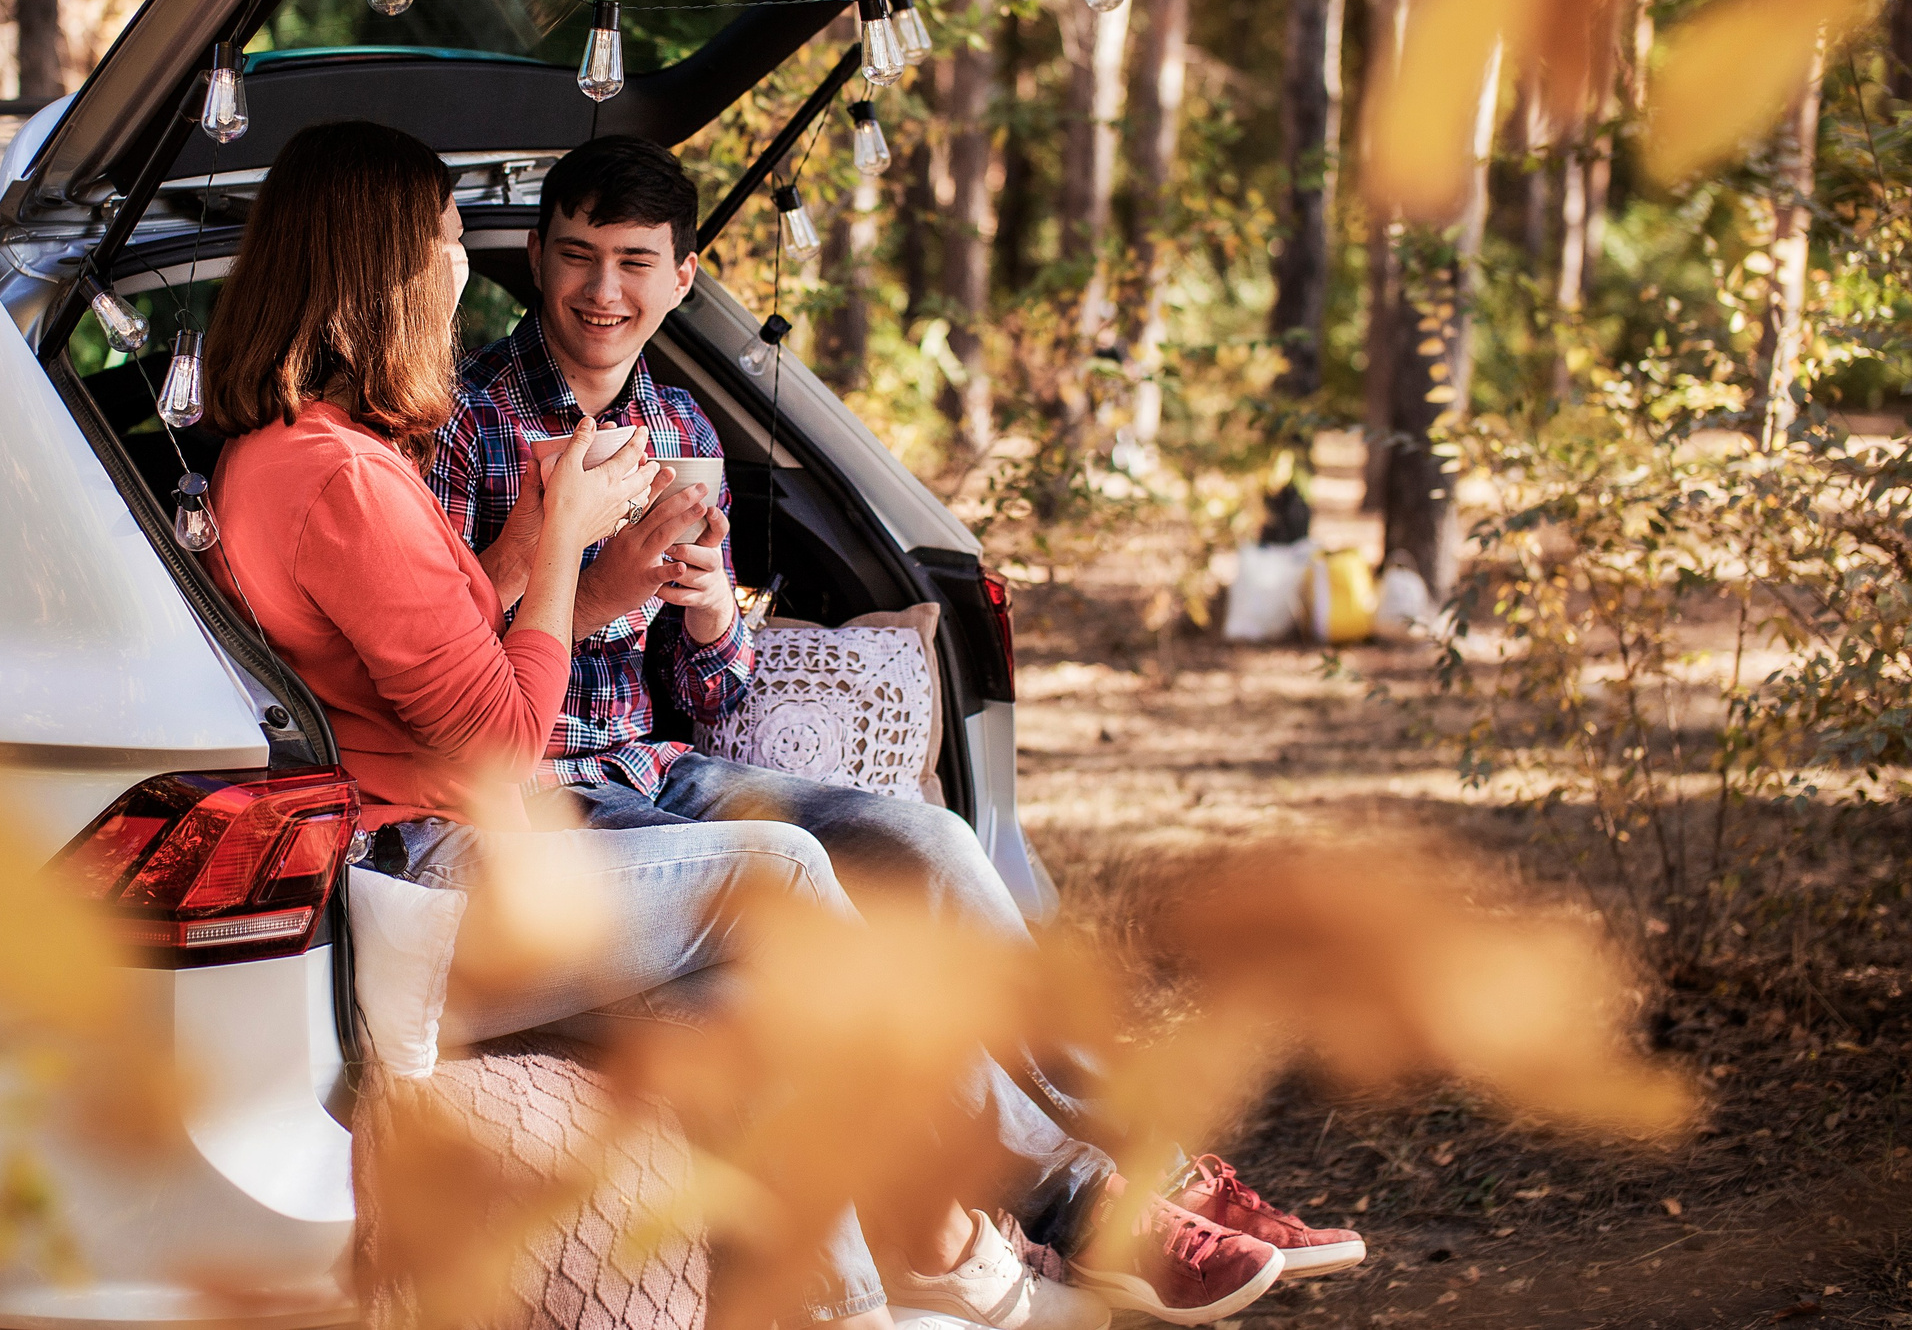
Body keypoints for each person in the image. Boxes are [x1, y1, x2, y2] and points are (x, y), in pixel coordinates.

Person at [426, 135, 1368, 1322]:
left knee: (929, 848)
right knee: (827, 921)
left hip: (658, 772)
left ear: (681, 277)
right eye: (574, 258)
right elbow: (445, 667)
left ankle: (1145, 1150)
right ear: (532, 259)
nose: (600, 293)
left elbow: (706, 702)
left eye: (631, 263)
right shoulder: (466, 423)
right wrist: (589, 573)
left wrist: (716, 616)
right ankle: (1089, 1203)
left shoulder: (687, 430)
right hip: (546, 797)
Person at [195, 119, 1117, 1330]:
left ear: (677, 278)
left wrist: (608, 575)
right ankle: (1023, 1205)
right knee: (782, 878)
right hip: (446, 867)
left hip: (486, 837)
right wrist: (571, 543)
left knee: (780, 996)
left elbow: (461, 634)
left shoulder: (307, 456)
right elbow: (501, 738)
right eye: (445, 242)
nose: (461, 269)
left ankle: (855, 1302)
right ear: (384, 266)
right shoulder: (350, 472)